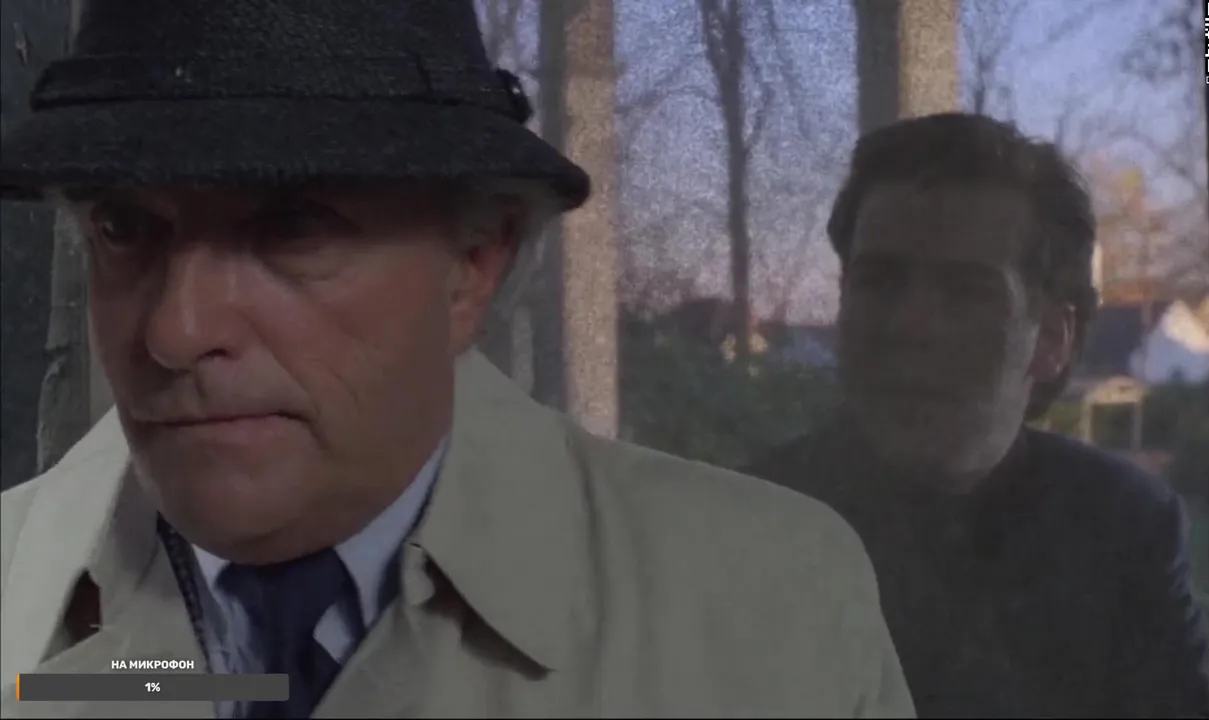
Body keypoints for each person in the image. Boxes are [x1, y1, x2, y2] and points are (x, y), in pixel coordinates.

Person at [0, 2, 915, 718]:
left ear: (472, 265)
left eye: (292, 226)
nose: (174, 329)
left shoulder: (766, 608)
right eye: (124, 227)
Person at [746, 113, 1209, 718]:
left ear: (1052, 337)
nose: (910, 324)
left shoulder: (1126, 524)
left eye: (966, 292)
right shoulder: (751, 522)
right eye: (880, 281)